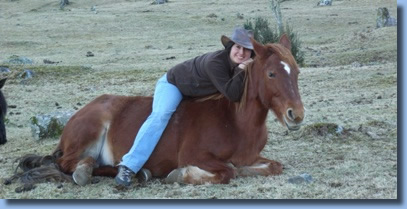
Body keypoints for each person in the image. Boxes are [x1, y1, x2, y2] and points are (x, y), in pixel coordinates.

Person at [115, 27, 255, 186]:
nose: (241, 53)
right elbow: (233, 94)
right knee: (161, 115)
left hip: (196, 94)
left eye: (247, 49)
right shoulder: (215, 63)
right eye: (238, 47)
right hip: (174, 85)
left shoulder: (245, 64)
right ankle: (128, 166)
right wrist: (242, 69)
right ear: (230, 47)